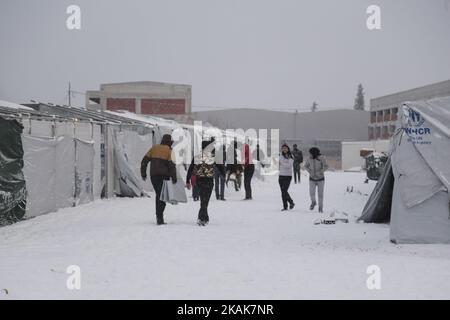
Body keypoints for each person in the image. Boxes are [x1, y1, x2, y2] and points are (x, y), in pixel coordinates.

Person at [186, 140, 226, 226]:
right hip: (209, 180)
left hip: (199, 180)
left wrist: (187, 180)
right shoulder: (212, 156)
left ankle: (203, 218)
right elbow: (221, 166)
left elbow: (190, 168)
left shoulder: (197, 156)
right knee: (205, 200)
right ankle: (202, 219)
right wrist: (224, 174)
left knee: (203, 201)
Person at [141, 134, 177, 225]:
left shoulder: (154, 148)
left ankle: (159, 216)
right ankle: (159, 218)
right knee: (162, 197)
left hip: (154, 176)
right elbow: (172, 166)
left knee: (159, 195)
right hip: (164, 177)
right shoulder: (169, 151)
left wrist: (143, 173)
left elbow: (144, 161)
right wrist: (174, 178)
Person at [304, 147, 329, 213]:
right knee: (311, 193)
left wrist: (320, 172)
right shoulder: (309, 158)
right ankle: (313, 202)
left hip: (321, 179)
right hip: (312, 178)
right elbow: (305, 166)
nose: (310, 154)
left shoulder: (322, 158)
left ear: (315, 153)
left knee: (320, 194)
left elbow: (326, 166)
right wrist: (310, 171)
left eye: (311, 153)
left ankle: (320, 208)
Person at [278, 144, 295, 211]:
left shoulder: (291, 156)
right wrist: (282, 163)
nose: (284, 149)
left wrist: (282, 163)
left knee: (284, 191)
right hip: (281, 175)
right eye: (283, 148)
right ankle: (287, 205)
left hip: (288, 176)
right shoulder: (281, 156)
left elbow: (289, 166)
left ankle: (289, 203)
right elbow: (279, 164)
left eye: (285, 148)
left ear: (288, 149)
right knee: (283, 192)